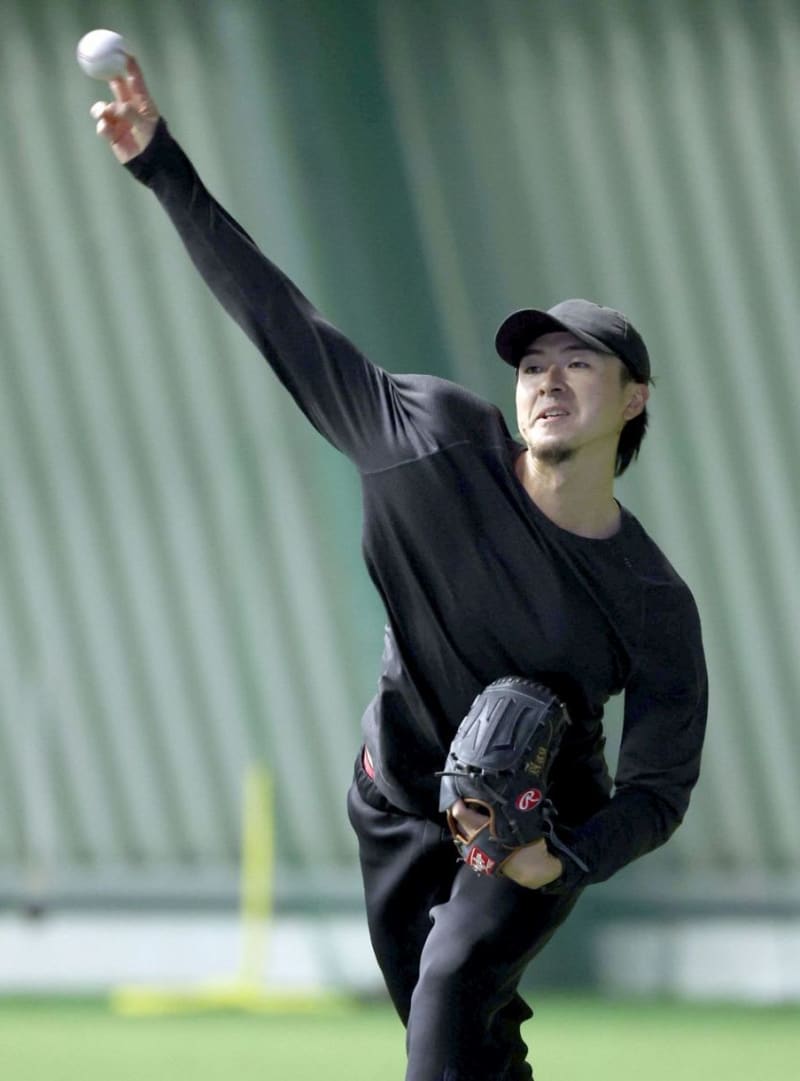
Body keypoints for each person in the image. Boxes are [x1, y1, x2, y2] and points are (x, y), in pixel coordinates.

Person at [91, 58, 708, 1081]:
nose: (547, 381)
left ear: (633, 399)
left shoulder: (649, 600)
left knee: (448, 999)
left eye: (579, 363)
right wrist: (160, 164)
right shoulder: (426, 442)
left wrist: (562, 855)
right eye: (532, 365)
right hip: (393, 796)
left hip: (525, 819)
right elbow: (280, 319)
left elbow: (658, 787)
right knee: (463, 1041)